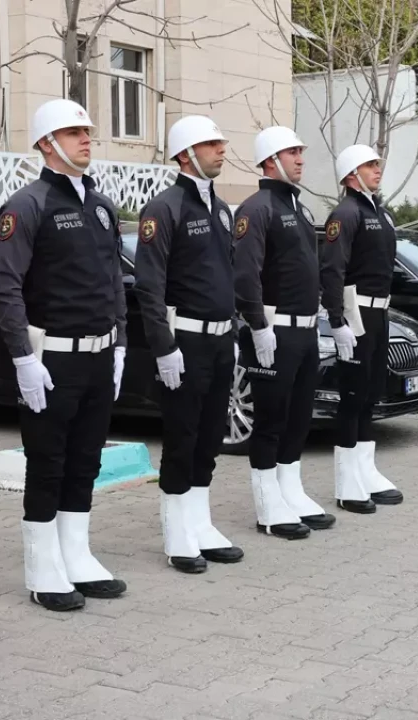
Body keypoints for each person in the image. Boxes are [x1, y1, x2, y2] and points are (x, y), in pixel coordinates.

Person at [0, 99, 128, 612]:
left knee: (86, 461)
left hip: (96, 354)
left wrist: (121, 343)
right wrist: (23, 358)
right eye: (73, 133)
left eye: (87, 131)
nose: (86, 139)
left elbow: (114, 280)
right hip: (52, 359)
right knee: (47, 463)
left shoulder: (101, 204)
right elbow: (4, 287)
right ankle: (43, 567)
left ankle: (76, 554)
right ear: (47, 144)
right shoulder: (28, 205)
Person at [134, 116, 245, 572]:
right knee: (182, 438)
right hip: (186, 343)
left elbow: (228, 276)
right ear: (185, 154)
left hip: (220, 341)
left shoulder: (220, 208)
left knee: (209, 439)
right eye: (210, 144)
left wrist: (235, 332)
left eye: (220, 141)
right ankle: (177, 533)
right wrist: (163, 347)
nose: (221, 150)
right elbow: (149, 285)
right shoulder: (164, 208)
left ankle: (200, 523)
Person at [233, 127, 331, 538]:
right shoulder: (257, 209)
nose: (300, 159)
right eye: (293, 152)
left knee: (298, 418)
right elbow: (246, 273)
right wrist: (258, 326)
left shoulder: (299, 207)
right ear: (271, 160)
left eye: (300, 151)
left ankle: (291, 490)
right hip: (275, 330)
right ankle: (267, 504)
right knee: (271, 420)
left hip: (306, 330)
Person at [321, 144, 403, 513]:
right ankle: (346, 483)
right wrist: (337, 320)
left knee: (370, 394)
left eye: (377, 164)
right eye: (370, 165)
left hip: (379, 313)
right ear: (352, 173)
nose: (377, 170)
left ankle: (365, 471)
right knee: (352, 397)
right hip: (357, 314)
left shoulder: (379, 213)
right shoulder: (346, 213)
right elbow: (333, 270)